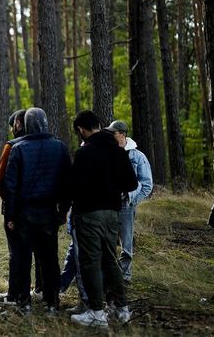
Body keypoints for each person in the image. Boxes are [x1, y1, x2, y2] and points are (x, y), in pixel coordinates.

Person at [68, 110, 138, 328]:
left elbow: (73, 187)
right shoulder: (117, 150)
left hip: (89, 214)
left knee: (91, 262)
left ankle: (97, 313)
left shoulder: (85, 152)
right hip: (112, 213)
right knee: (110, 260)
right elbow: (131, 184)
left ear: (81, 130)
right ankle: (122, 308)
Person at [2, 108, 71, 316]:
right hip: (49, 212)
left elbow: (11, 186)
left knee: (23, 259)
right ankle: (52, 303)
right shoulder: (59, 147)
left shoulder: (19, 148)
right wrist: (62, 211)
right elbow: (67, 183)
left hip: (24, 213)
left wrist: (11, 215)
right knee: (50, 259)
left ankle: (25, 303)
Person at [105, 120, 153, 285]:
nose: (111, 136)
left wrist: (133, 201)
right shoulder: (108, 153)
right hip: (108, 204)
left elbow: (147, 184)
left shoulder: (137, 156)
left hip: (126, 205)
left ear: (123, 134)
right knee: (108, 242)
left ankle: (124, 277)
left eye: (114, 133)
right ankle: (111, 276)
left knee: (126, 245)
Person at [0, 109, 26, 306]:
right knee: (41, 254)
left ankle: (15, 293)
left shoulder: (12, 146)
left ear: (17, 125)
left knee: (16, 253)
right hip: (43, 210)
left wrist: (8, 202)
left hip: (15, 209)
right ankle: (42, 292)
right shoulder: (52, 144)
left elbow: (0, 179)